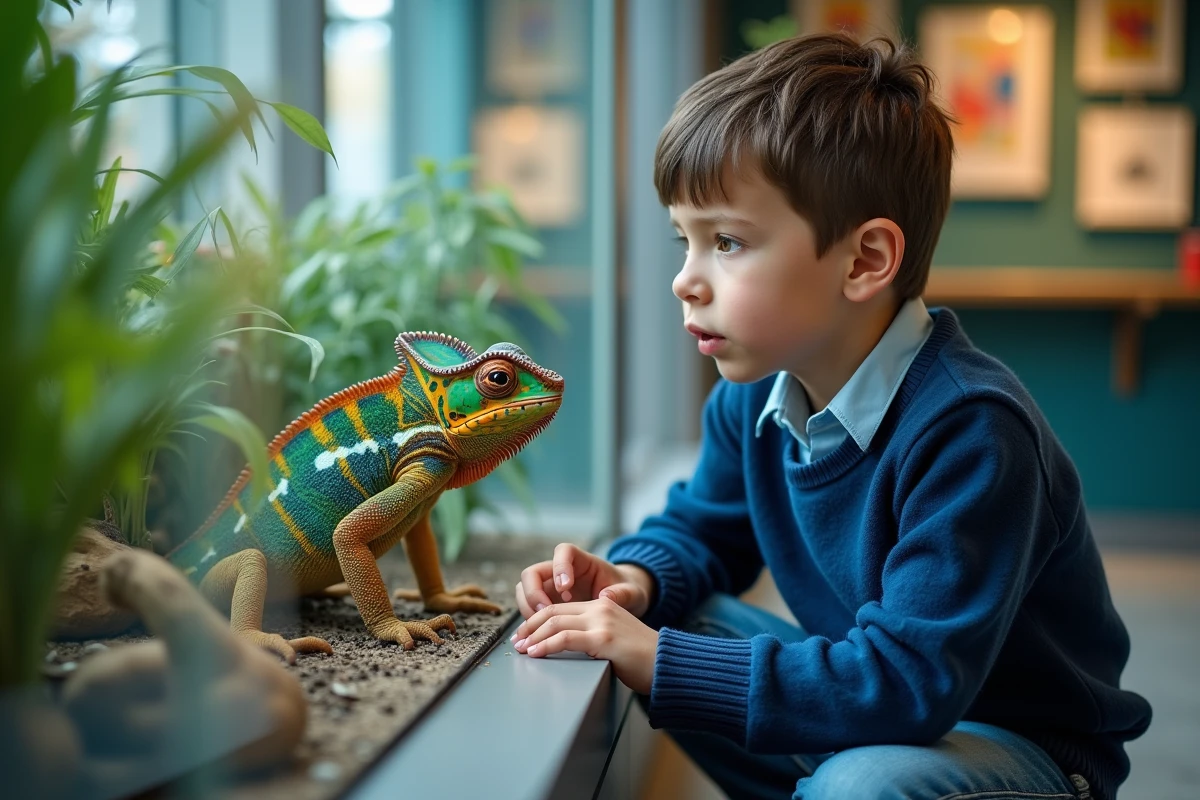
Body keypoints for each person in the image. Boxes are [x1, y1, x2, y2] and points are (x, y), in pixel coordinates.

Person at [510, 32, 1151, 800]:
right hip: (891, 709)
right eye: (684, 240)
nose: (686, 280)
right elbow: (703, 530)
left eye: (728, 242)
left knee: (859, 784)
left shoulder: (973, 429)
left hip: (1018, 748)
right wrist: (633, 581)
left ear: (864, 261)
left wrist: (657, 655)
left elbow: (910, 680)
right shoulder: (752, 395)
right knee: (677, 634)